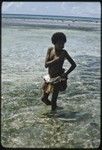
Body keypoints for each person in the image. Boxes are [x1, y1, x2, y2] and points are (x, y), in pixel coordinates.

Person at [41, 32, 76, 111]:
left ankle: (54, 118)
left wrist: (65, 74)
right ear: (54, 43)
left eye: (63, 44)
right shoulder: (50, 50)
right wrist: (56, 60)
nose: (62, 46)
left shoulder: (64, 52)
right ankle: (57, 109)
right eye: (60, 44)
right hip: (50, 78)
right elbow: (46, 65)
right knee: (44, 99)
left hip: (58, 78)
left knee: (54, 100)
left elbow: (73, 65)